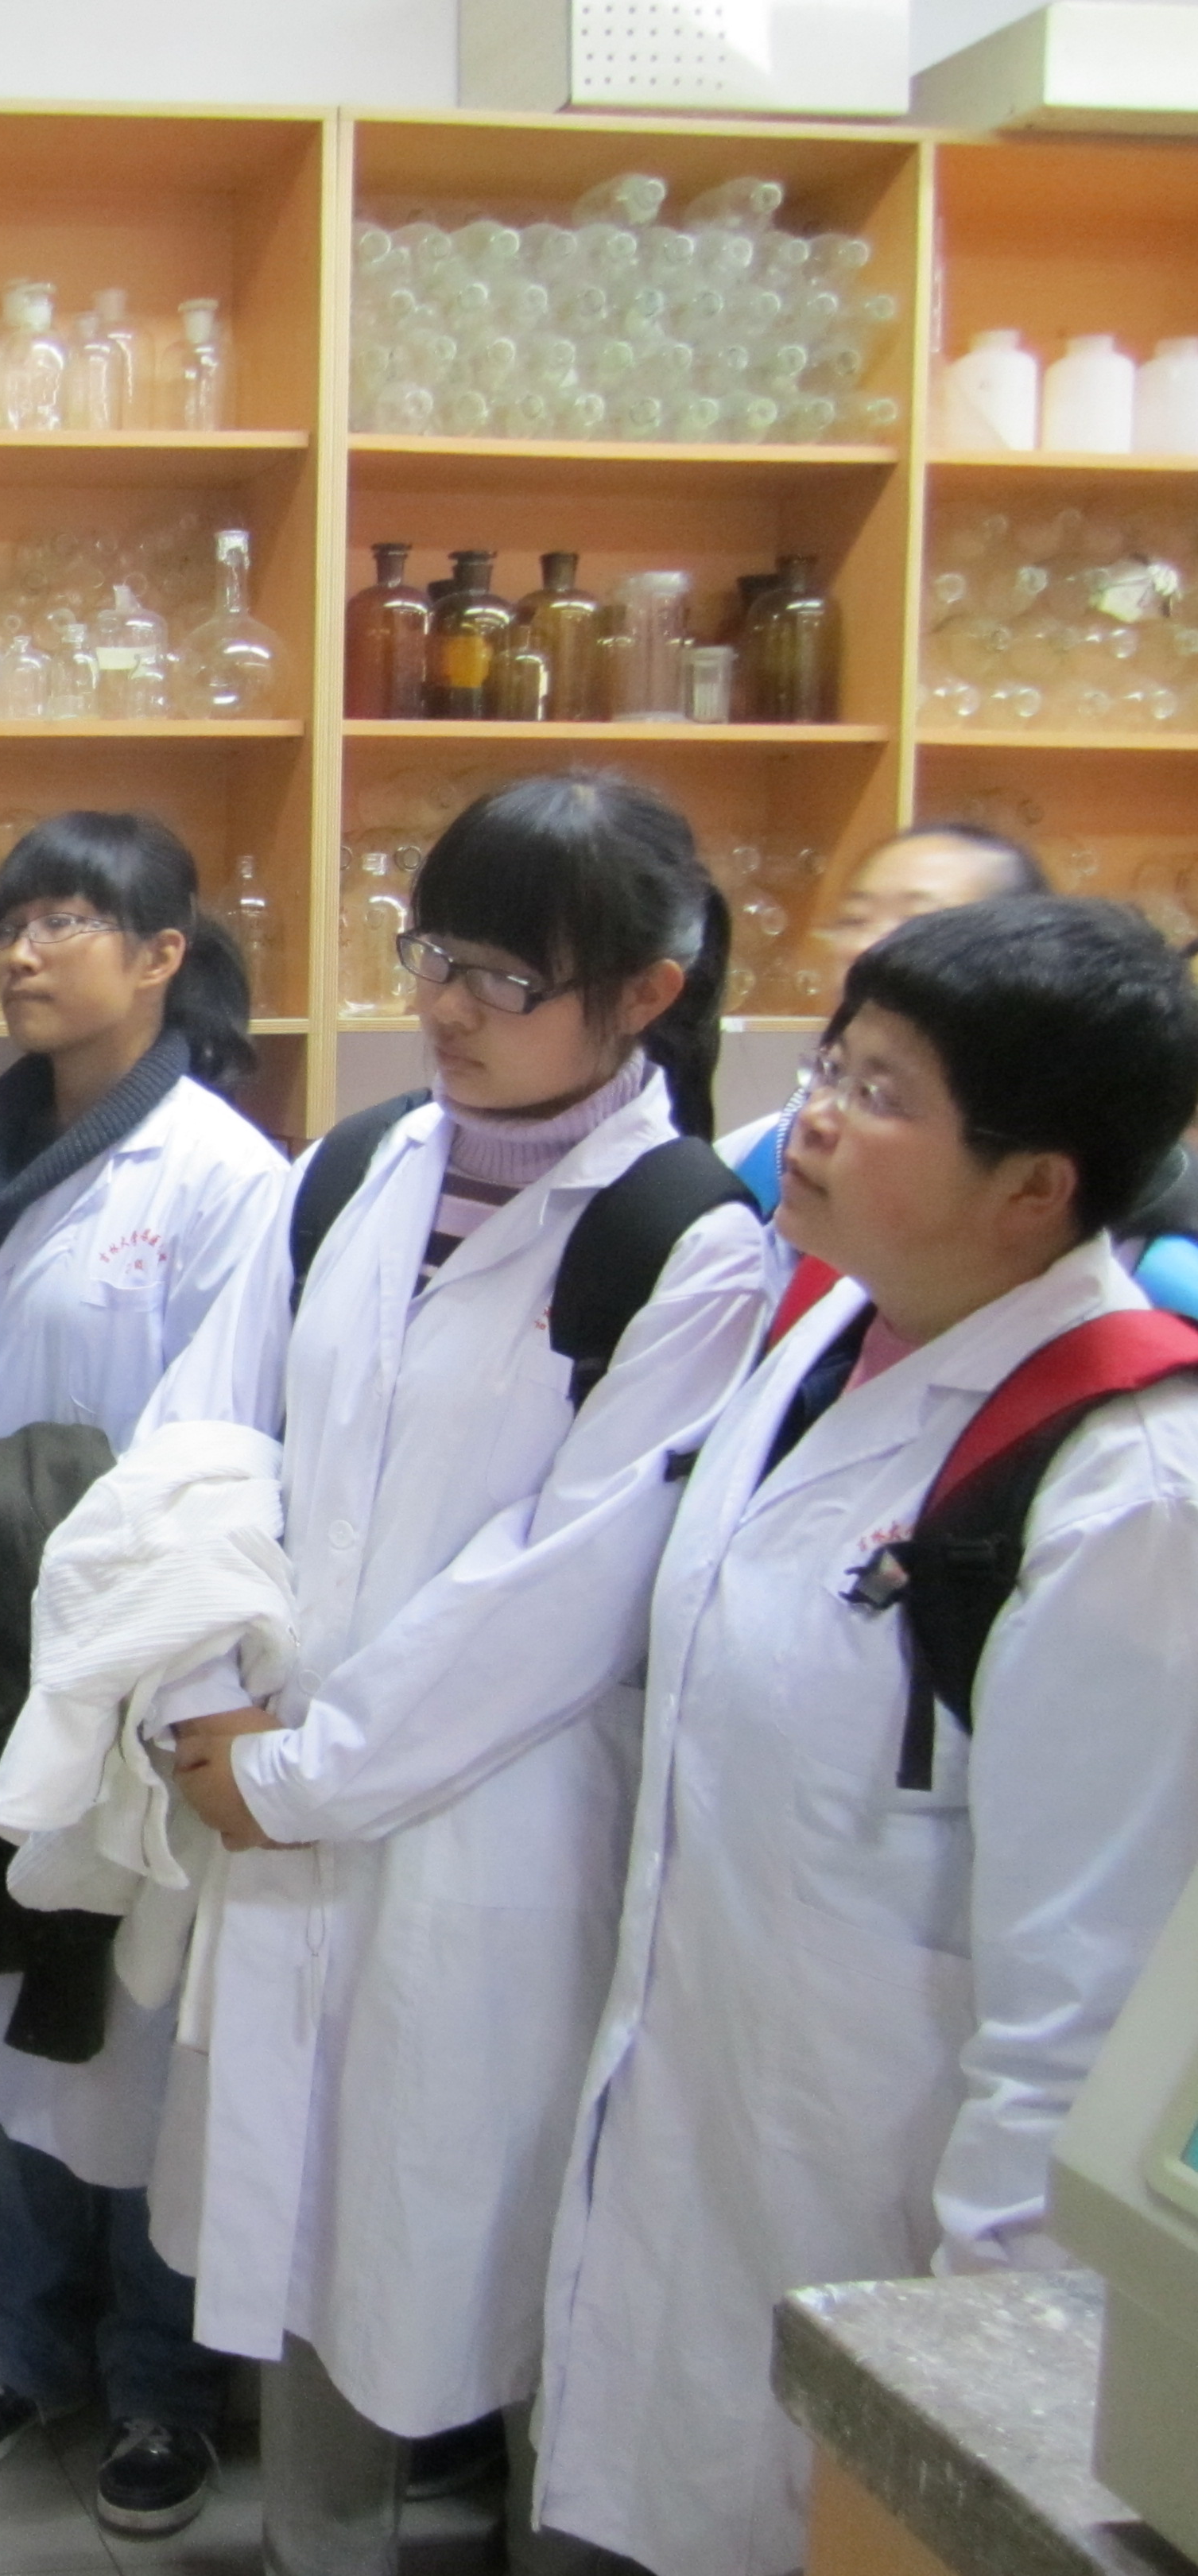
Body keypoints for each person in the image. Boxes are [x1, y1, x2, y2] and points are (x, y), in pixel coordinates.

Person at [134, 770, 776, 2576]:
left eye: (507, 978)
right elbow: (200, 1444)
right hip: (261, 1783)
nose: (445, 1008)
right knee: (306, 2271)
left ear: (646, 993)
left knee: (478, 2263)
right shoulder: (351, 1167)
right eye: (433, 956)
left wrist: (297, 1772)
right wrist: (197, 1696)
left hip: (484, 1834)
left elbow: (562, 1590)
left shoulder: (687, 1239)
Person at [537, 896, 1198, 2576]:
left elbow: (1080, 2007)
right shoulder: (829, 1331)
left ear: (1035, 1189)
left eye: (885, 1093)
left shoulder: (1127, 1492)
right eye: (832, 1063)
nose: (815, 1115)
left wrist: (985, 2392)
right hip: (702, 2130)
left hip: (890, 2207)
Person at [0, 812, 287, 2535]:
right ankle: (16, 2350)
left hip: (130, 1652)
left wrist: (150, 1660)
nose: (25, 951)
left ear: (161, 956)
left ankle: (158, 2387)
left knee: (133, 2020)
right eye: (10, 921)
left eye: (66, 920)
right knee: (9, 2011)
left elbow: (216, 1437)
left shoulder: (223, 1177)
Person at [719, 821, 1045, 1207]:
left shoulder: (1034, 1182)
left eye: (915, 923)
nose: (864, 946)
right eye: (854, 920)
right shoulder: (749, 1161)